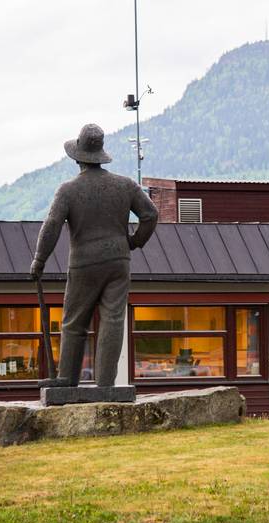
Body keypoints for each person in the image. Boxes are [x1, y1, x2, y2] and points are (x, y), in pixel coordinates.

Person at [30, 123, 158, 387]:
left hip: (84, 264)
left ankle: (67, 379)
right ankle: (106, 384)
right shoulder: (125, 185)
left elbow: (52, 225)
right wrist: (134, 242)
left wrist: (39, 260)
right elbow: (151, 214)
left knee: (74, 323)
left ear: (78, 157)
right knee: (113, 320)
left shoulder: (68, 190)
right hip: (118, 261)